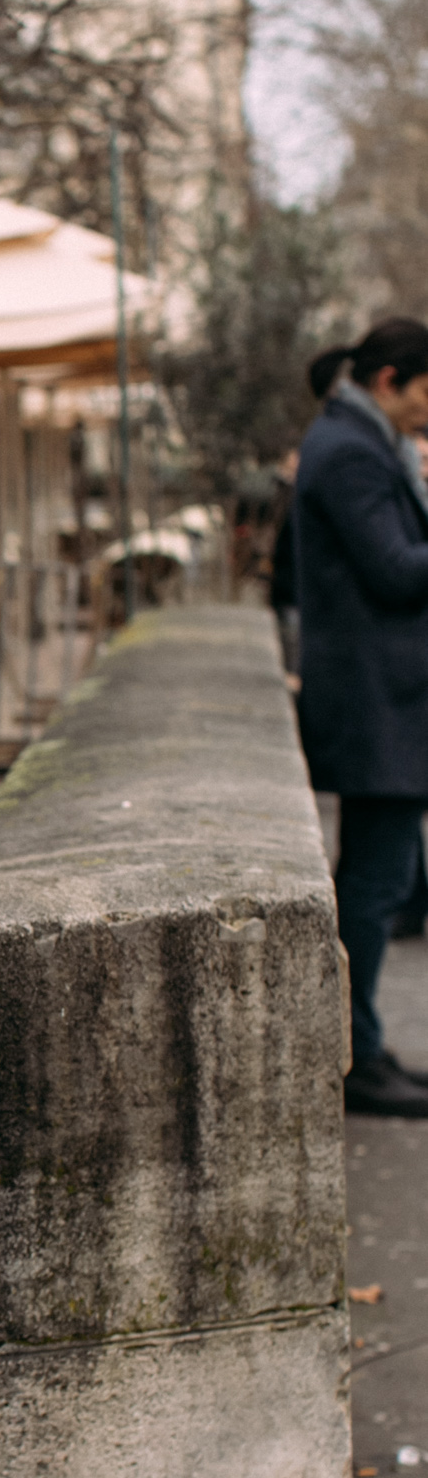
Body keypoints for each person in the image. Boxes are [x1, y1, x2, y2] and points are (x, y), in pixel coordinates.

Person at [294, 318, 428, 1114]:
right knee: (374, 886)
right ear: (389, 380)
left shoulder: (356, 440)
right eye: (424, 394)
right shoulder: (346, 449)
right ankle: (355, 1057)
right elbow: (394, 572)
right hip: (375, 705)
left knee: (383, 879)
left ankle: (366, 1046)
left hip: (385, 699)